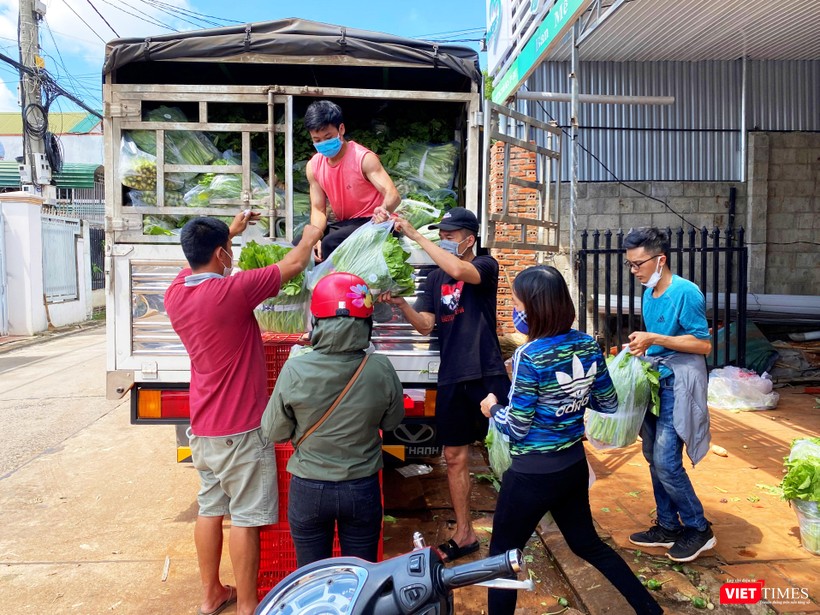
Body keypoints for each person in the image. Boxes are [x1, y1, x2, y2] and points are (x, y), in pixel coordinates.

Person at [479, 265, 664, 615]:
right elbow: (607, 402)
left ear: (534, 308)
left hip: (532, 476)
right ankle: (648, 608)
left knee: (502, 560)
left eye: (517, 304)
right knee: (587, 545)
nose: (515, 311)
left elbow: (517, 427)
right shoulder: (585, 343)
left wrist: (492, 408)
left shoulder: (529, 355)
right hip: (572, 468)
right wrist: (572, 397)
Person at [165, 212, 321, 615]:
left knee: (210, 509)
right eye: (228, 250)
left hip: (202, 428)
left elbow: (195, 263)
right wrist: (314, 228)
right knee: (247, 519)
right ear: (220, 254)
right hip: (241, 430)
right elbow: (296, 263)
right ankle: (249, 606)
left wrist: (227, 235)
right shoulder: (232, 292)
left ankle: (211, 594)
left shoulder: (175, 293)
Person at [388, 207, 510, 562]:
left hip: (486, 372)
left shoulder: (485, 266)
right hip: (452, 376)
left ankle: (518, 525)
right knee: (454, 457)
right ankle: (465, 532)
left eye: (450, 235)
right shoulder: (434, 279)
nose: (444, 239)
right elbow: (426, 325)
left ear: (469, 238)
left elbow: (460, 270)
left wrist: (415, 235)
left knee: (513, 454)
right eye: (442, 234)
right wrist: (401, 305)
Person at [262, 272, 405, 566]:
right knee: (360, 577)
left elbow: (274, 430)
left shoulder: (295, 368)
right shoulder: (380, 367)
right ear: (366, 324)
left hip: (309, 490)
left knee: (312, 578)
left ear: (316, 323)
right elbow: (391, 424)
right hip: (361, 489)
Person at [623, 227, 716, 563]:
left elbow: (703, 344)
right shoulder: (649, 293)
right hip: (655, 379)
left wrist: (652, 339)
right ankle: (667, 525)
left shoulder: (687, 293)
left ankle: (698, 527)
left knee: (666, 460)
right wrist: (639, 346)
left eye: (638, 264)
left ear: (660, 260)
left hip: (680, 381)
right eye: (630, 265)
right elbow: (656, 339)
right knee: (652, 454)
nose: (634, 271)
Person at [304, 100, 401, 260]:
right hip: (346, 224)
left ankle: (333, 285)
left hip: (377, 223)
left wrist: (383, 211)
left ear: (341, 129)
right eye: (317, 140)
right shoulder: (313, 166)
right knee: (301, 244)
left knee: (330, 244)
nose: (323, 143)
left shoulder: (363, 158)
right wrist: (315, 236)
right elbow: (318, 209)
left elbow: (393, 195)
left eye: (327, 137)